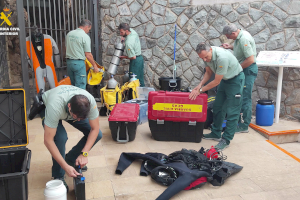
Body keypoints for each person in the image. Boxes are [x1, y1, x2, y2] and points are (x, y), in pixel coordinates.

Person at [40, 85, 102, 191]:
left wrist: (84, 153)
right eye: (75, 117)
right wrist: (65, 167)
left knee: (98, 135)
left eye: (81, 118)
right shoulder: (54, 106)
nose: (78, 120)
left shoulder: (90, 102)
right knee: (60, 137)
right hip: (49, 107)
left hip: (70, 109)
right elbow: (48, 141)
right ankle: (58, 175)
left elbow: (95, 129)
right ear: (69, 106)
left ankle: (70, 159)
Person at [189, 43, 245, 150]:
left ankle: (226, 139)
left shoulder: (221, 58)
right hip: (225, 80)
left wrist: (200, 91)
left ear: (210, 50)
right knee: (218, 106)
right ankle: (216, 133)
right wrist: (199, 85)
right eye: (202, 58)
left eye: (206, 56)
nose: (205, 59)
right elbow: (208, 72)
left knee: (232, 111)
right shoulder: (204, 56)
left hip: (235, 80)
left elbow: (216, 81)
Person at [222, 24, 258, 133]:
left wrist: (237, 69)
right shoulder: (240, 36)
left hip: (248, 69)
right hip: (244, 69)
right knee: (239, 96)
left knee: (245, 97)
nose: (228, 39)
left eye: (228, 37)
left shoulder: (244, 39)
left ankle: (244, 126)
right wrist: (230, 47)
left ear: (233, 33)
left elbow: (250, 59)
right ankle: (238, 122)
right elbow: (242, 49)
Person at [66, 19, 99, 89]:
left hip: (69, 63)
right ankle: (80, 100)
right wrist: (95, 66)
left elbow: (66, 48)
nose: (88, 31)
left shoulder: (69, 34)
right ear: (87, 27)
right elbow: (88, 55)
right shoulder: (85, 36)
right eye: (89, 29)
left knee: (73, 85)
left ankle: (74, 99)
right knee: (80, 86)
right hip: (78, 63)